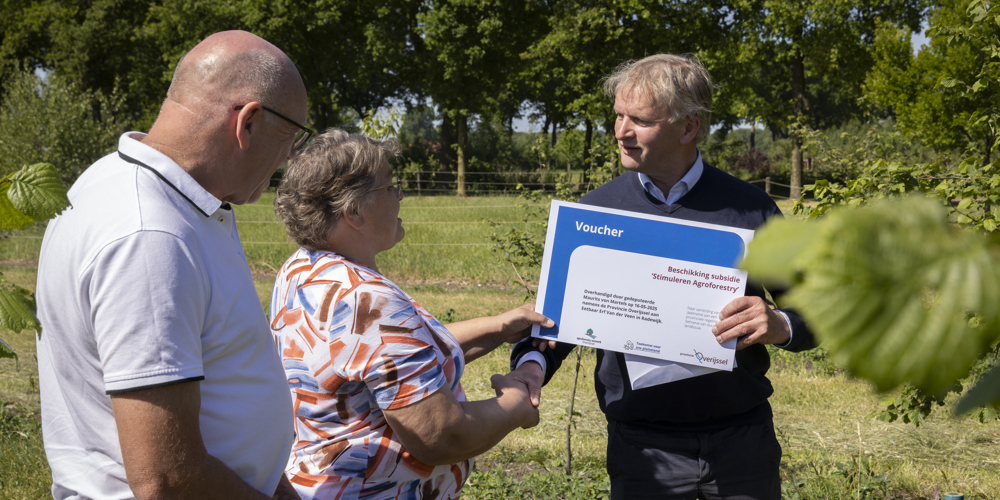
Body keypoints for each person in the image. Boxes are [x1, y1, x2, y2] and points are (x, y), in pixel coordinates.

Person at [509, 54, 817, 500]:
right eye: (618, 116)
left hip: (741, 445)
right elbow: (553, 320)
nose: (621, 132)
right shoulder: (596, 212)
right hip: (642, 450)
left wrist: (780, 324)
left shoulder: (750, 209)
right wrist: (532, 367)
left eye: (640, 120)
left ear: (688, 127)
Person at [35, 31, 308, 499]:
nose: (288, 159)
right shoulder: (150, 236)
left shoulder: (164, 197)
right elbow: (167, 480)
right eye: (291, 138)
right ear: (249, 123)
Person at [269, 128, 553, 499]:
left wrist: (498, 328)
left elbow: (391, 360)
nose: (401, 195)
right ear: (353, 209)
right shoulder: (366, 300)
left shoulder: (303, 269)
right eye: (390, 187)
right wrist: (515, 406)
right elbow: (441, 435)